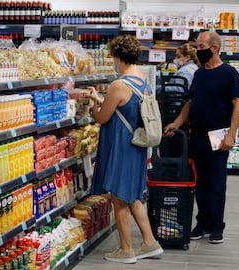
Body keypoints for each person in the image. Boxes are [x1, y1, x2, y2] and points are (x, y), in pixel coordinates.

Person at [87, 34, 163, 264]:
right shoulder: (142, 81)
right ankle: (150, 243)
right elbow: (124, 108)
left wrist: (93, 106)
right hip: (137, 146)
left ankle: (126, 250)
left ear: (118, 57)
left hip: (121, 147)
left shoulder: (119, 84)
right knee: (133, 196)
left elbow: (103, 117)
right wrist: (102, 98)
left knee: (119, 197)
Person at [164, 31, 239, 244]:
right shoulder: (199, 74)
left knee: (216, 184)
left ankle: (217, 226)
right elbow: (191, 103)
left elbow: (237, 104)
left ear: (214, 48)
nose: (198, 51)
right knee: (198, 183)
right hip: (196, 136)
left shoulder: (229, 73)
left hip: (218, 137)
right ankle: (203, 223)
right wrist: (177, 122)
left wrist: (231, 134)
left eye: (200, 47)